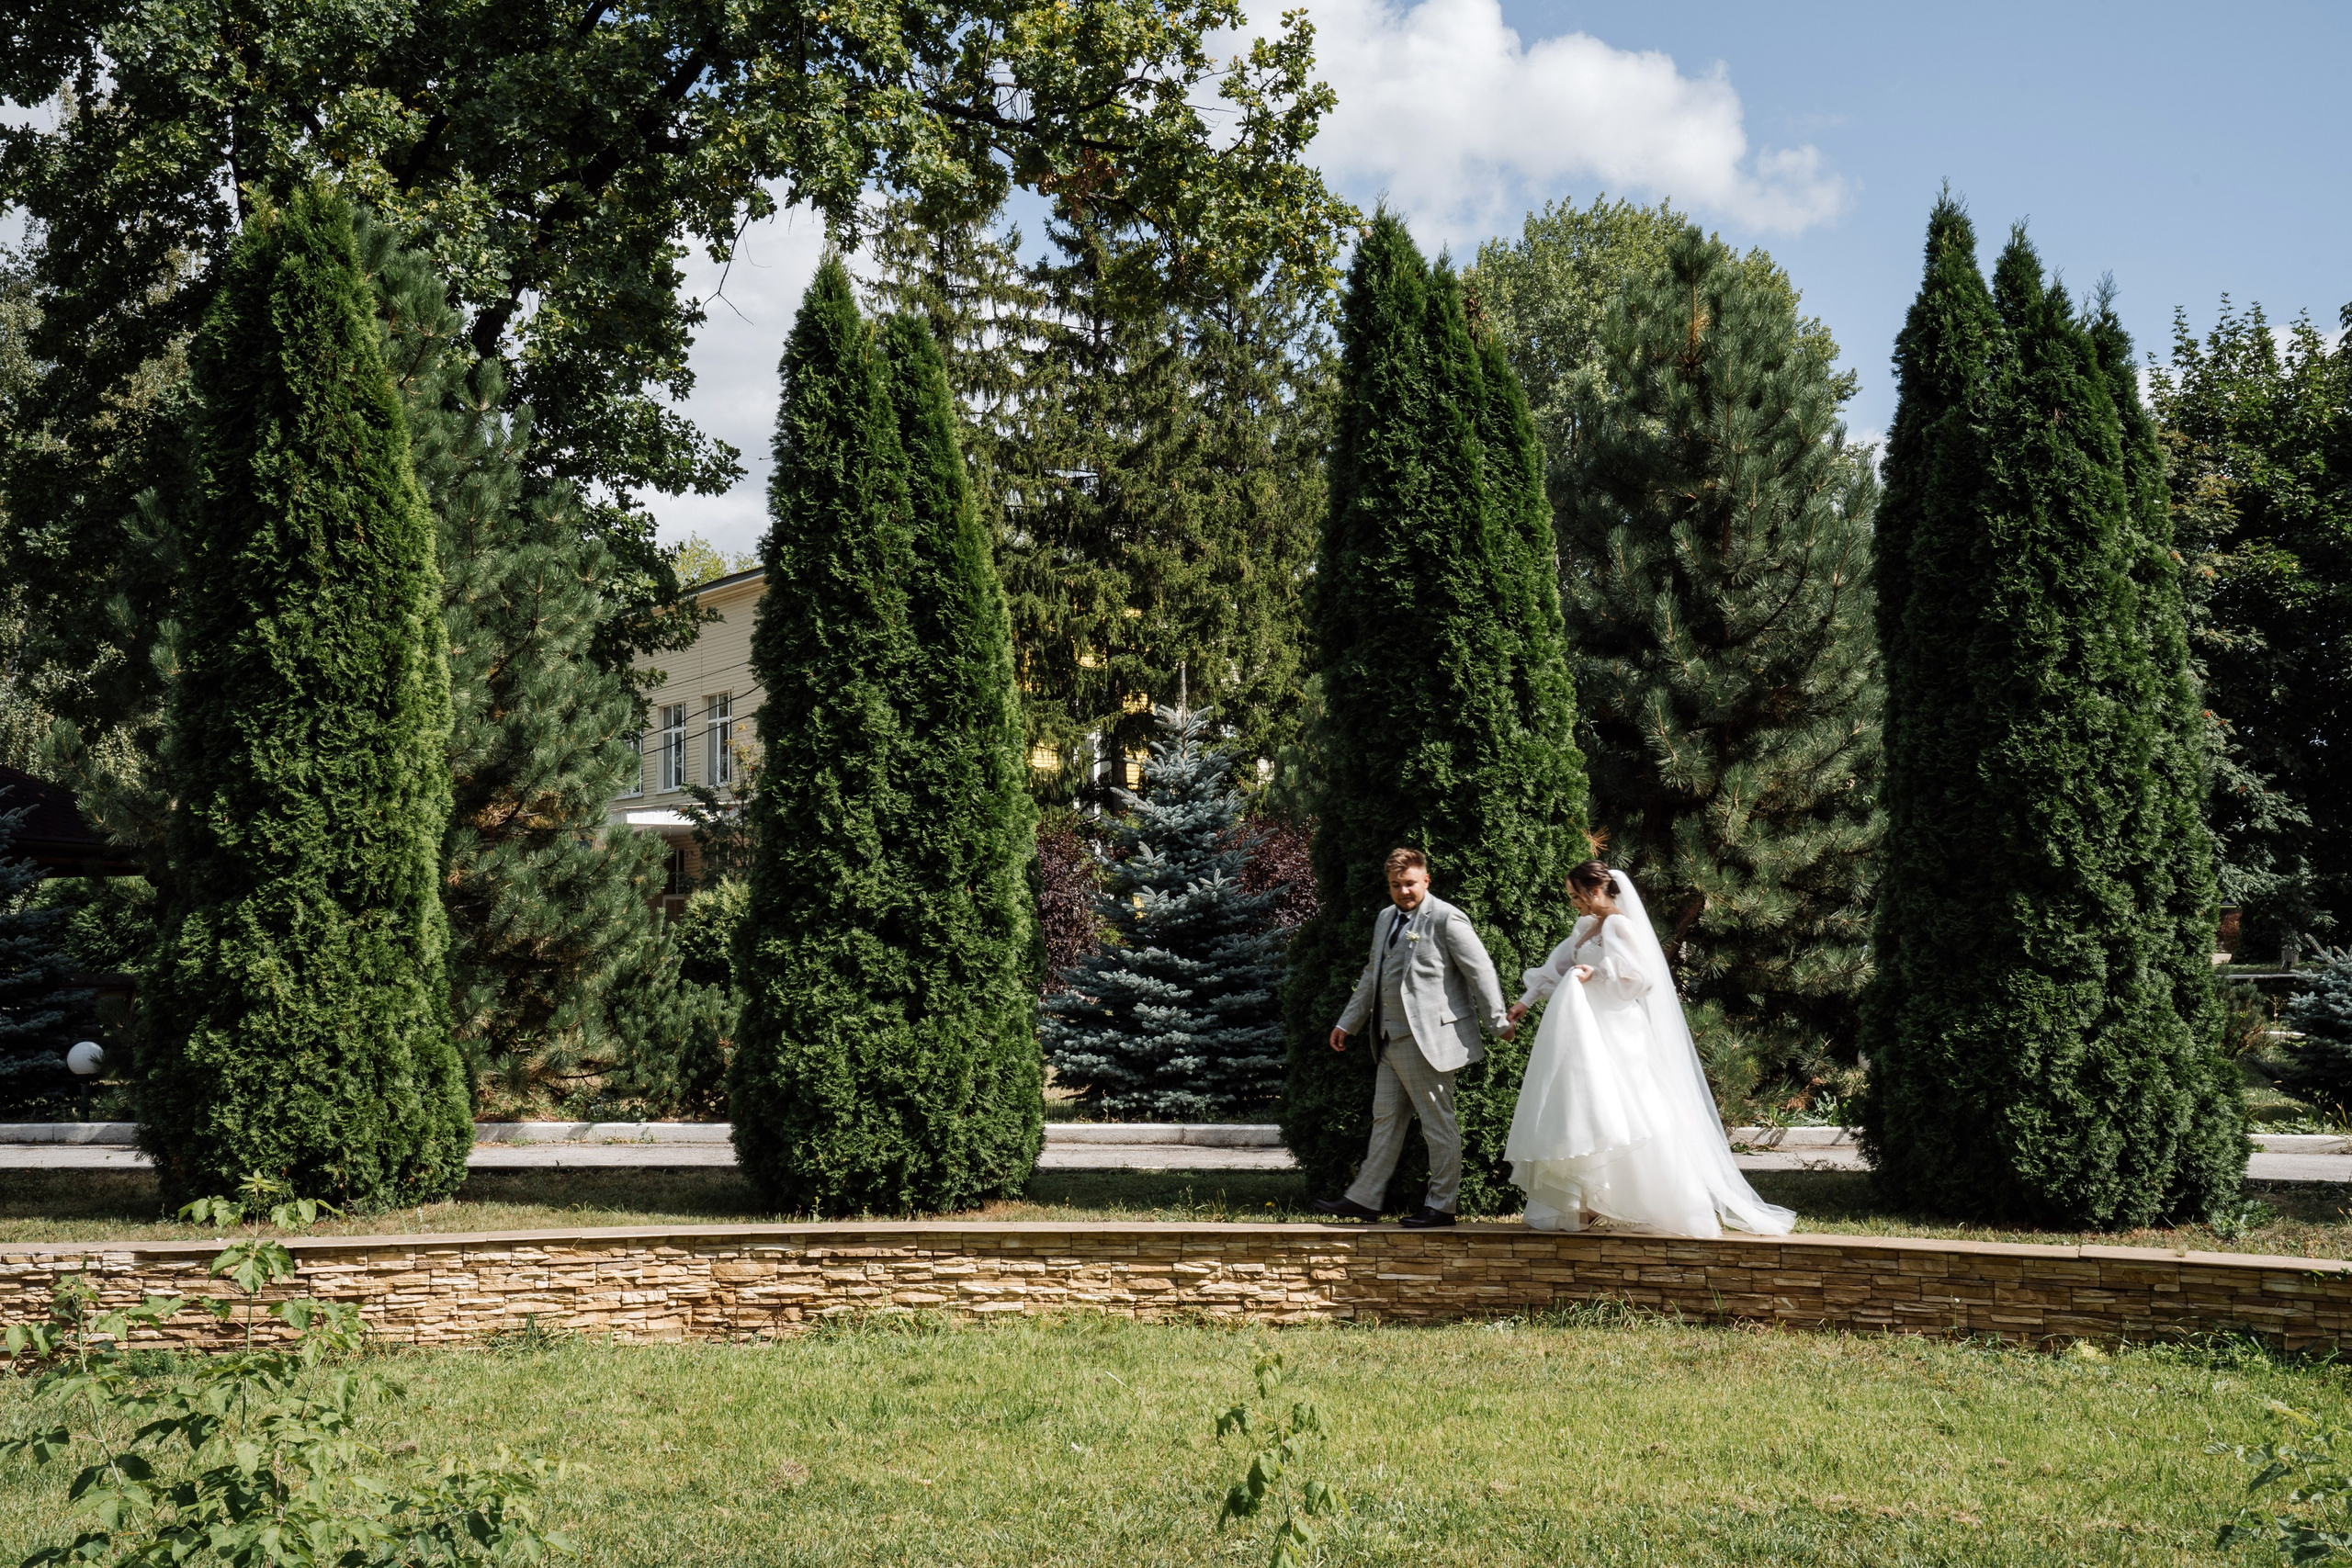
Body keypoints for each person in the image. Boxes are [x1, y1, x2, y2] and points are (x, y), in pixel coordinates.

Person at [1502, 861, 1793, 1237]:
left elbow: (1642, 978)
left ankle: (1663, 1199)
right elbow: (1556, 967)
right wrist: (1525, 1002)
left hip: (1615, 1029)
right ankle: (1589, 1199)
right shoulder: (1585, 927)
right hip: (1587, 1029)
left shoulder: (1620, 925)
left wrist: (1599, 973)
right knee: (1589, 1108)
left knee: (1630, 1108)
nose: (1573, 902)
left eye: (1576, 895)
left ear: (1594, 892)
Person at [1312, 848, 1510, 1229]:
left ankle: (1442, 1206)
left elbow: (1481, 970)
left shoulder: (1447, 918)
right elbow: (1373, 974)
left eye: (1409, 883)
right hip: (1388, 1038)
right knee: (1385, 1119)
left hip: (1427, 1042)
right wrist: (1347, 1023)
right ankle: (1365, 1200)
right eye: (1395, 885)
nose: (1403, 891)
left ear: (1426, 880)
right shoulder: (1387, 918)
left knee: (1438, 1125)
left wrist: (1498, 1021)